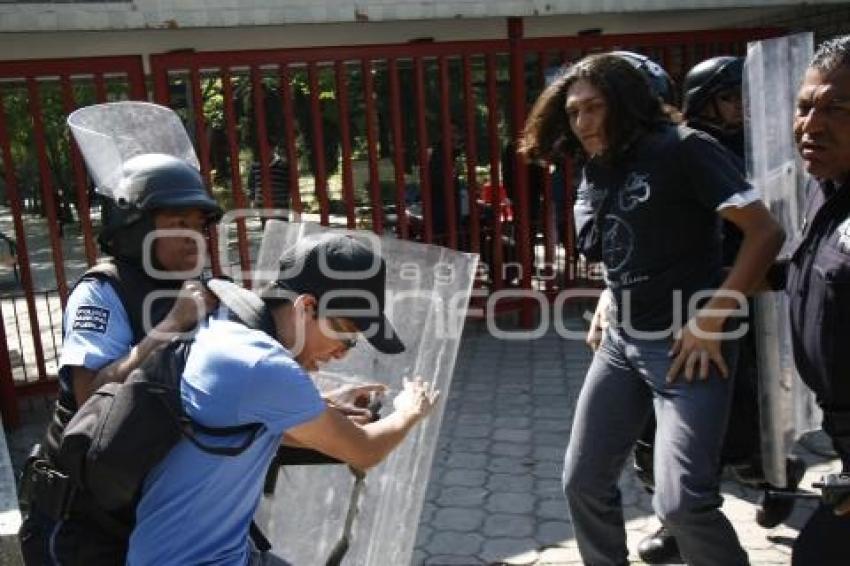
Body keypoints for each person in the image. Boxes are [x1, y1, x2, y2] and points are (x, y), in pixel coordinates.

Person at [519, 53, 784, 565]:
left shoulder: (684, 150)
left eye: (594, 108)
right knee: (582, 482)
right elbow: (630, 243)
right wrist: (609, 293)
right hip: (621, 345)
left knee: (683, 503)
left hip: (691, 347)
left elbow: (765, 232)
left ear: (626, 103)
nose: (582, 123)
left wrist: (713, 318)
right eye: (574, 112)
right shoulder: (600, 165)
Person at [126, 233, 438, 565]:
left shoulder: (230, 328)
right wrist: (408, 411)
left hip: (193, 551)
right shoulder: (264, 365)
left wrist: (324, 404)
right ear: (306, 306)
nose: (343, 353)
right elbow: (365, 450)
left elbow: (243, 415)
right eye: (346, 334)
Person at [635, 55, 804, 563]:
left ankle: (776, 478)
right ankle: (672, 520)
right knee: (655, 427)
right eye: (730, 98)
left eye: (743, 98)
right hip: (672, 310)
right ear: (703, 100)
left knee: (747, 420)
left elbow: (773, 229)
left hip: (739, 303)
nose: (740, 109)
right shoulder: (678, 152)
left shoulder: (766, 152)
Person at [17, 152, 225, 565]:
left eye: (200, 225)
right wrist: (171, 325)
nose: (195, 237)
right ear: (134, 228)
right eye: (178, 224)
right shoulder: (102, 291)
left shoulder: (197, 288)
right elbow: (90, 393)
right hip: (85, 523)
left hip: (153, 508)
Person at [786, 35, 850, 566]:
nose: (811, 125)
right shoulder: (825, 187)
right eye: (805, 107)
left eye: (836, 109)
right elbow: (813, 273)